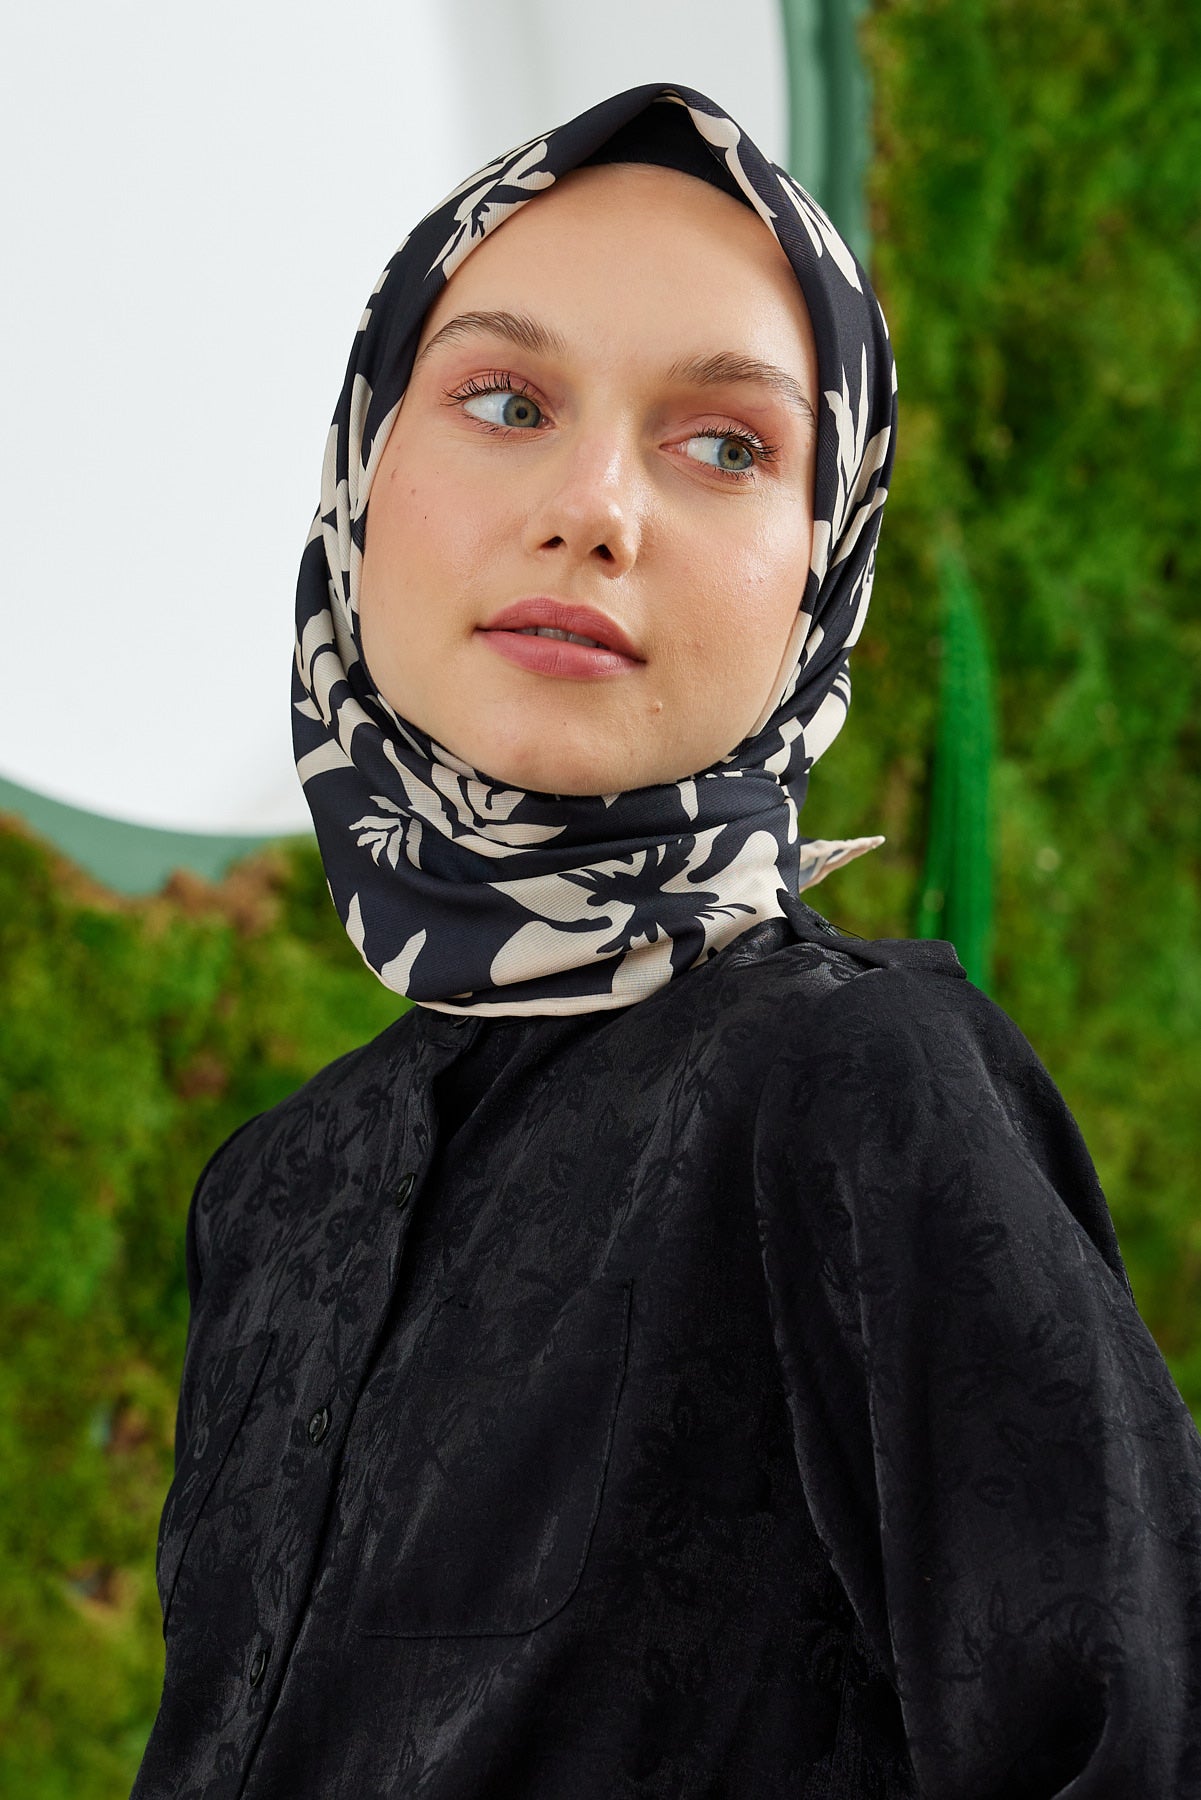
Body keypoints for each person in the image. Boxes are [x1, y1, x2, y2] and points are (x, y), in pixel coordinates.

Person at [131, 82, 1201, 1800]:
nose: (594, 509)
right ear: (362, 472)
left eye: (725, 447)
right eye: (502, 401)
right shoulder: (278, 1189)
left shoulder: (852, 1086)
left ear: (819, 576)